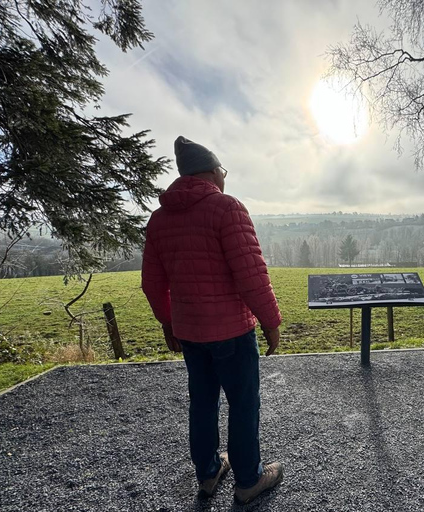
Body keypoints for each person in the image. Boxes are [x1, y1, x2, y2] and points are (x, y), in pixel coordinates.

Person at [141, 136, 284, 505]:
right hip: (232, 332)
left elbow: (153, 283)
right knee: (243, 404)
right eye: (223, 171)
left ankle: (207, 474)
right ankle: (248, 480)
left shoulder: (159, 219)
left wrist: (168, 323)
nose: (224, 178)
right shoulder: (226, 208)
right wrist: (271, 321)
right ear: (213, 172)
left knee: (202, 404)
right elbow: (251, 274)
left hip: (190, 332)